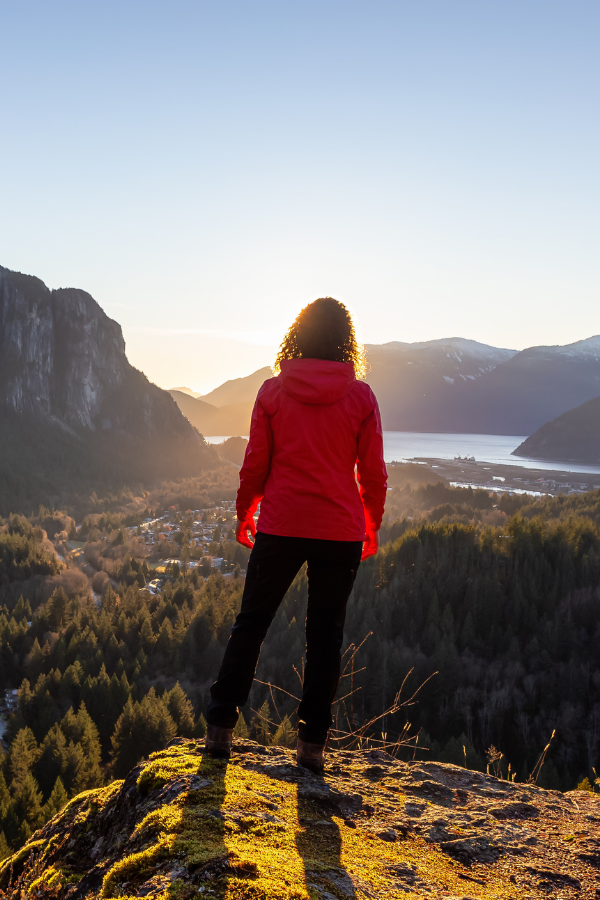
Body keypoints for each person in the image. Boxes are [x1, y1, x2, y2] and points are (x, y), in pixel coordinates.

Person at [206, 297, 387, 771]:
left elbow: (256, 464)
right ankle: (311, 751)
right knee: (324, 635)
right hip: (339, 531)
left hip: (282, 524)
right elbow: (373, 474)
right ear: (346, 341)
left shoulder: (272, 392)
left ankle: (219, 733)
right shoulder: (361, 397)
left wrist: (246, 511)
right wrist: (371, 524)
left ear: (297, 335)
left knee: (251, 624)